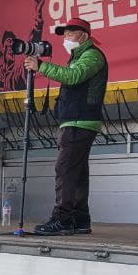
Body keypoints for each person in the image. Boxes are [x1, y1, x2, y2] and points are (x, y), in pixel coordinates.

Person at [23, 17, 107, 236]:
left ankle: (62, 219)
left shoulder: (92, 55)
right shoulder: (79, 57)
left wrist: (41, 66)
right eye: (65, 34)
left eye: (71, 33)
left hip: (80, 121)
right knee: (77, 173)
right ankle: (80, 219)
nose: (66, 38)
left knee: (65, 170)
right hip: (77, 120)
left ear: (84, 36)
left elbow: (73, 77)